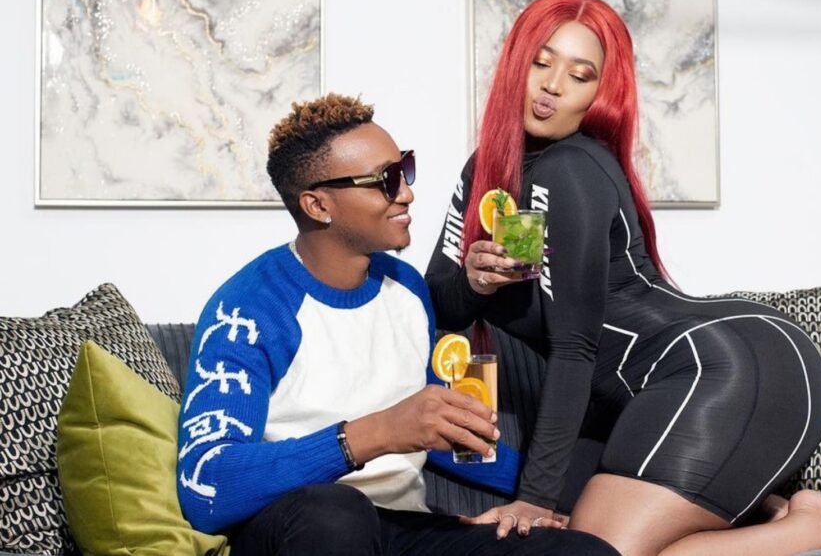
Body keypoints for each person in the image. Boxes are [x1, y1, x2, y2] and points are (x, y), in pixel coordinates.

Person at [426, 0, 821, 556]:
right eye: (541, 63)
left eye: (580, 75)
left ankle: (813, 528)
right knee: (590, 533)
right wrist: (475, 281)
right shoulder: (485, 171)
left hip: (716, 369)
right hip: (735, 359)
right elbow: (441, 303)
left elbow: (575, 349)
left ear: (600, 92)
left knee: (603, 552)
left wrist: (535, 500)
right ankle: (769, 510)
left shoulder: (568, 170)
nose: (552, 86)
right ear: (515, 64)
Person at [176, 93, 619, 556]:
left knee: (582, 552)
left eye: (404, 169)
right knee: (337, 514)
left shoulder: (407, 289)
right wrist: (379, 431)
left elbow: (441, 434)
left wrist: (548, 496)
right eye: (385, 181)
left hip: (402, 528)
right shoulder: (247, 310)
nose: (406, 193)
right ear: (318, 205)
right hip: (301, 524)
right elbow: (206, 484)